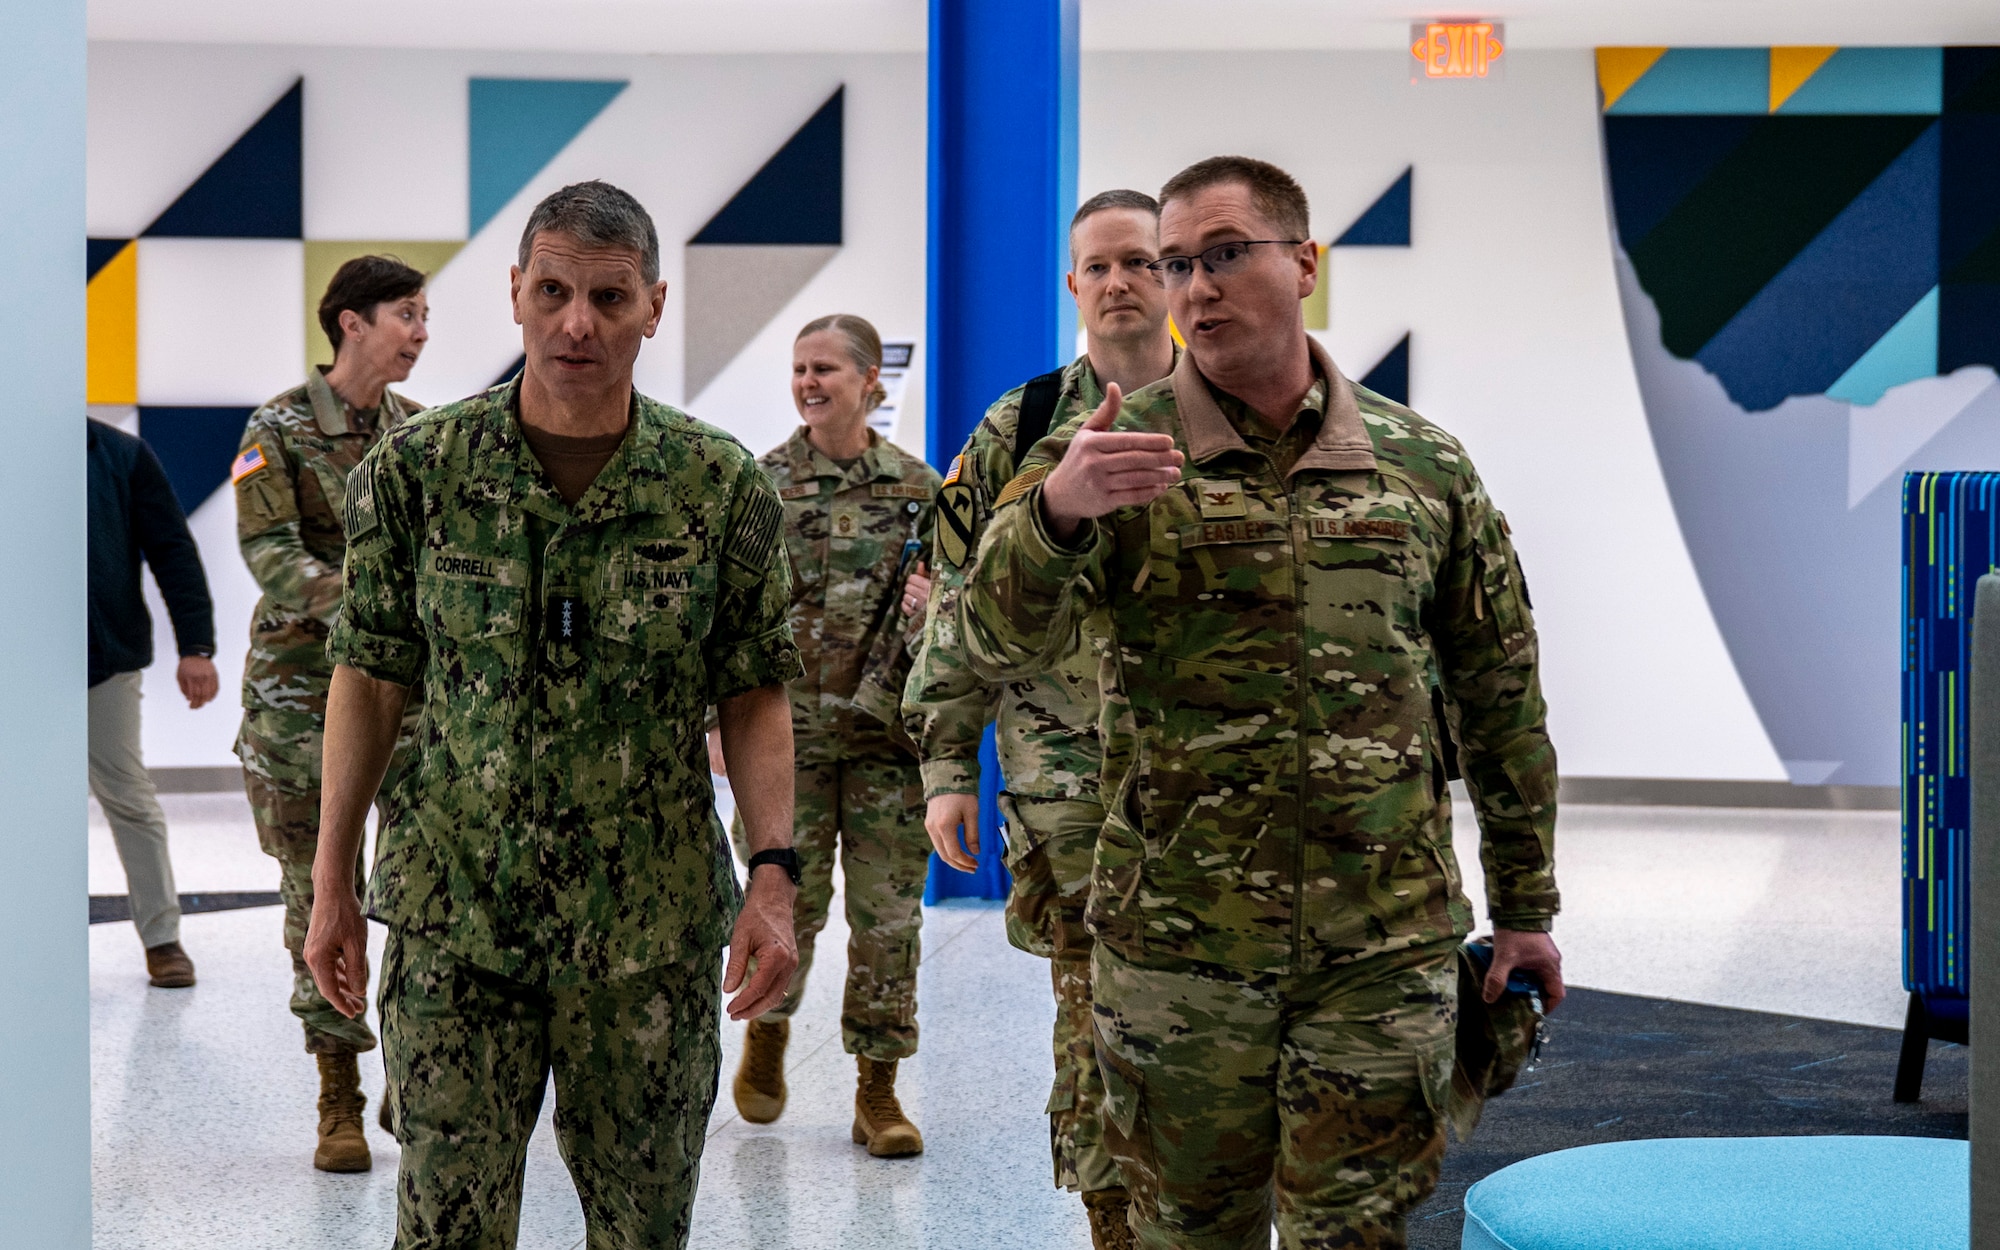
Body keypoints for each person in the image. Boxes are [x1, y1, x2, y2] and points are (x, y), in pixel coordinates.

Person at [957, 155, 1566, 1249]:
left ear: (1303, 263)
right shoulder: (1109, 449)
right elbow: (975, 642)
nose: (1196, 287)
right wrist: (1052, 516)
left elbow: (1499, 691)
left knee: (1356, 1234)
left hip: (1379, 947)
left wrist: (1524, 905)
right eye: (1179, 261)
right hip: (1176, 958)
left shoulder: (1420, 466)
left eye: (1224, 254)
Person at [305, 180, 804, 1248]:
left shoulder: (718, 488)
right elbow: (370, 674)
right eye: (555, 291)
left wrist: (774, 876)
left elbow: (755, 688)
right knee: (445, 1225)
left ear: (653, 306)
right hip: (457, 926)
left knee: (643, 1227)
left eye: (610, 297)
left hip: (650, 938)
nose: (579, 322)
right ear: (517, 296)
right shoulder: (415, 474)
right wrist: (330, 878)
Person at [902, 189, 1175, 1245]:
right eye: (1098, 265)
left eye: (1140, 262)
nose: (1118, 282)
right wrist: (939, 766)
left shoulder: (1227, 420)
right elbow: (952, 609)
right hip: (1065, 803)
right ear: (1072, 282)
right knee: (1094, 1042)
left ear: (1174, 278)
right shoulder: (1017, 429)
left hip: (1211, 799)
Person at [716, 313, 940, 1158]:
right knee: (788, 908)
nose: (809, 384)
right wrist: (715, 726)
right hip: (789, 747)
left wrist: (932, 614)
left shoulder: (921, 490)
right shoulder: (761, 484)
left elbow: (955, 621)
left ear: (871, 380)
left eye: (826, 370)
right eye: (800, 369)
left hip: (888, 744)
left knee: (889, 922)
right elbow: (727, 619)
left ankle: (877, 1090)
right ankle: (767, 1034)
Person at [232, 253, 429, 1173]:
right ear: (350, 322)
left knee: (424, 889)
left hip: (409, 708)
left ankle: (421, 1072)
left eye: (424, 316)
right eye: (406, 314)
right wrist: (371, 603)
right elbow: (270, 551)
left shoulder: (421, 436)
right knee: (319, 891)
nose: (421, 332)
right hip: (299, 702)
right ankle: (338, 1091)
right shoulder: (276, 428)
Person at [87, 418, 219, 989]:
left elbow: (171, 549)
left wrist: (196, 646)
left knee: (129, 798)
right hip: (13, 668)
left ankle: (162, 938)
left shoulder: (119, 454)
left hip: (103, 658)